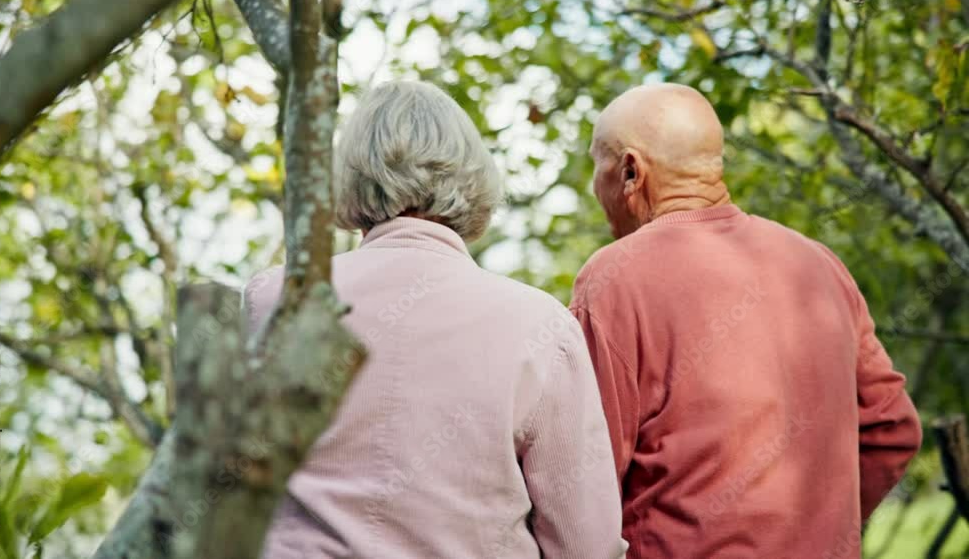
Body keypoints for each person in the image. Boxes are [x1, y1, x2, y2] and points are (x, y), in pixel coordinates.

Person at [246, 80, 627, 559]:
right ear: (475, 178)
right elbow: (586, 544)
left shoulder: (272, 299)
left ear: (349, 175)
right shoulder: (539, 324)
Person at [569, 82, 922, 558]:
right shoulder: (818, 264)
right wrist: (820, 530)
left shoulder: (614, 278)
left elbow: (586, 480)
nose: (595, 187)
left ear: (631, 171)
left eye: (598, 166)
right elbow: (893, 429)